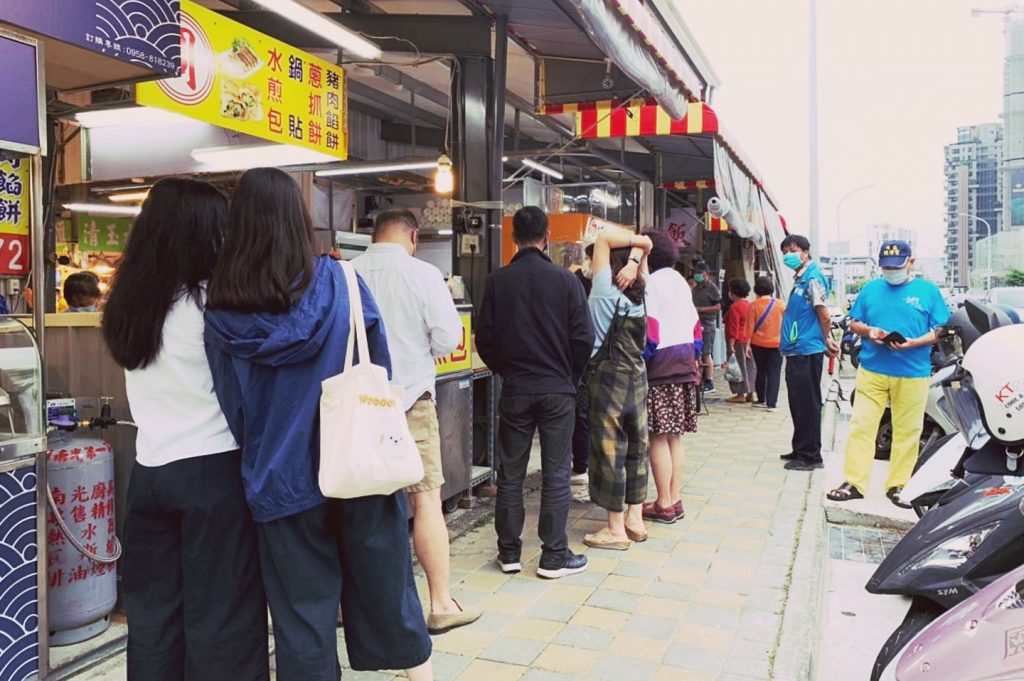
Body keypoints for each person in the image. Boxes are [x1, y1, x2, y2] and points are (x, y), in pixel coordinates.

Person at [203, 168, 432, 681]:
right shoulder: (343, 282)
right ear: (300, 221)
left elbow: (233, 407)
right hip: (360, 469)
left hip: (279, 482)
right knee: (386, 592)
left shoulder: (221, 310)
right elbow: (380, 369)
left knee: (301, 623)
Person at [101, 178, 268, 680]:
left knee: (153, 618)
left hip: (149, 474)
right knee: (222, 616)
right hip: (214, 474)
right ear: (204, 233)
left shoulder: (131, 304)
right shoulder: (215, 301)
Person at [351, 208, 482, 634]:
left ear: (373, 235)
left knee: (360, 502)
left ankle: (351, 602)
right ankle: (441, 603)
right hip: (410, 401)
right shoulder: (424, 274)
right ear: (413, 236)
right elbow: (448, 338)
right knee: (426, 499)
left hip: (359, 407)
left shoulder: (346, 274)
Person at [476, 206, 594, 578]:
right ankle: (553, 556)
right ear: (546, 239)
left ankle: (509, 553)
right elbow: (583, 338)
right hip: (558, 390)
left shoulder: (498, 281)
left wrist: (505, 370)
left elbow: (485, 338)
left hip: (516, 387)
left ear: (514, 240)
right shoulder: (566, 281)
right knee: (556, 472)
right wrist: (569, 376)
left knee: (510, 472)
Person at [827, 240, 950, 506]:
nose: (891, 271)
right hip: (873, 370)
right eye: (886, 267)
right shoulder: (871, 289)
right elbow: (855, 322)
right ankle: (854, 482)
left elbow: (942, 328)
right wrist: (869, 332)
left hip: (913, 372)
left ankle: (898, 484)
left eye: (897, 266)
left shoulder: (928, 291)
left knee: (907, 430)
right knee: (861, 427)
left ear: (911, 263)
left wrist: (915, 342)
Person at [581, 227, 653, 550]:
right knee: (638, 445)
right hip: (637, 375)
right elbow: (646, 242)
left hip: (607, 377)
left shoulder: (602, 290)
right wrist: (637, 259)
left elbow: (603, 240)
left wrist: (631, 256)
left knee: (609, 448)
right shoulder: (642, 291)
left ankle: (614, 528)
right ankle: (634, 520)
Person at [641, 231, 699, 524]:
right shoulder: (679, 281)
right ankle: (674, 499)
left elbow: (651, 328)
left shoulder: (651, 282)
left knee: (657, 436)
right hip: (685, 360)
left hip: (661, 364)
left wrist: (643, 357)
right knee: (675, 435)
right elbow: (696, 327)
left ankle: (662, 502)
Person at [778, 234, 840, 471]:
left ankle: (811, 456)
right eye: (784, 251)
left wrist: (825, 341)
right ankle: (800, 447)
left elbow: (823, 314)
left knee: (808, 402)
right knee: (798, 402)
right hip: (797, 350)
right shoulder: (801, 279)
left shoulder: (813, 278)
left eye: (792, 250)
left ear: (806, 252)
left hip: (807, 350)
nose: (787, 255)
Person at [570, 243, 595, 485]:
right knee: (583, 414)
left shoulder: (612, 284)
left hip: (590, 360)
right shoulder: (576, 279)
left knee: (585, 414)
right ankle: (581, 465)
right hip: (585, 361)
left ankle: (584, 465)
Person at [745, 276, 786, 412]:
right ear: (771, 289)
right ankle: (771, 404)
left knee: (761, 370)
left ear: (756, 290)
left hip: (758, 344)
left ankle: (761, 399)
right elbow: (786, 324)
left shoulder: (753, 305)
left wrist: (747, 345)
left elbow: (749, 327)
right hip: (777, 344)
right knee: (774, 372)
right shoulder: (780, 304)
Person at [722, 278, 756, 404]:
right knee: (750, 367)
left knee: (736, 367)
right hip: (750, 341)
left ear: (733, 293)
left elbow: (733, 328)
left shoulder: (734, 308)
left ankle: (740, 393)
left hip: (738, 341)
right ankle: (751, 393)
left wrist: (731, 346)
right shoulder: (750, 305)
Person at [692, 262, 721, 393]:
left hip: (708, 324)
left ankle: (709, 381)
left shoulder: (712, 288)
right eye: (696, 274)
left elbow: (718, 307)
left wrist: (700, 309)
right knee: (698, 352)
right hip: (696, 324)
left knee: (706, 353)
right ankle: (701, 378)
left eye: (701, 274)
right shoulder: (696, 288)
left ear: (706, 275)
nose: (698, 276)